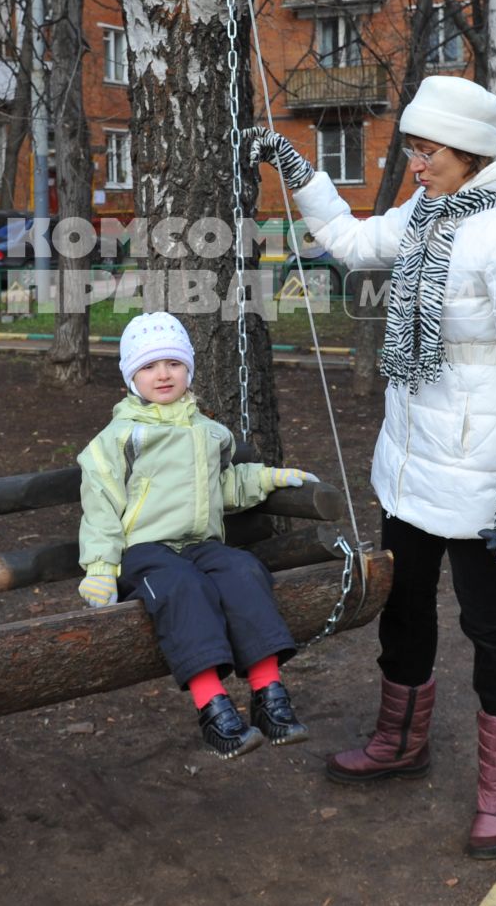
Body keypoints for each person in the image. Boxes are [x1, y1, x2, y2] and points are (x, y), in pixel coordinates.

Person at [243, 75, 496, 859]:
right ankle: (400, 740)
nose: (415, 164)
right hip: (411, 464)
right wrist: (300, 171)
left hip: (485, 478)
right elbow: (352, 244)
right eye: (414, 149)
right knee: (405, 607)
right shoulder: (426, 213)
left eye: (428, 151)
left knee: (492, 628)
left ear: (472, 153)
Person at [75, 311, 321, 759]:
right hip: (145, 551)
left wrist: (267, 479)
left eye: (173, 363)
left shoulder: (209, 432)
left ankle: (269, 695)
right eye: (148, 366)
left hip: (200, 544)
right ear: (132, 377)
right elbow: (101, 505)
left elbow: (223, 486)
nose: (162, 374)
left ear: (189, 367)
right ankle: (212, 705)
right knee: (182, 588)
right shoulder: (118, 438)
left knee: (244, 570)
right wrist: (100, 567)